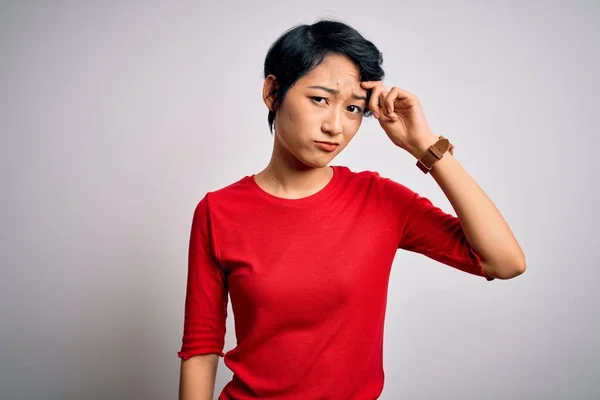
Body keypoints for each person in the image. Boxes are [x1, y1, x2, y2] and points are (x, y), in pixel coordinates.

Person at [177, 18, 526, 400]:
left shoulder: (379, 200)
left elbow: (504, 262)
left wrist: (424, 144)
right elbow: (201, 346)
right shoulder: (219, 210)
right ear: (273, 92)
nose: (336, 126)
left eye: (354, 109)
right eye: (320, 99)